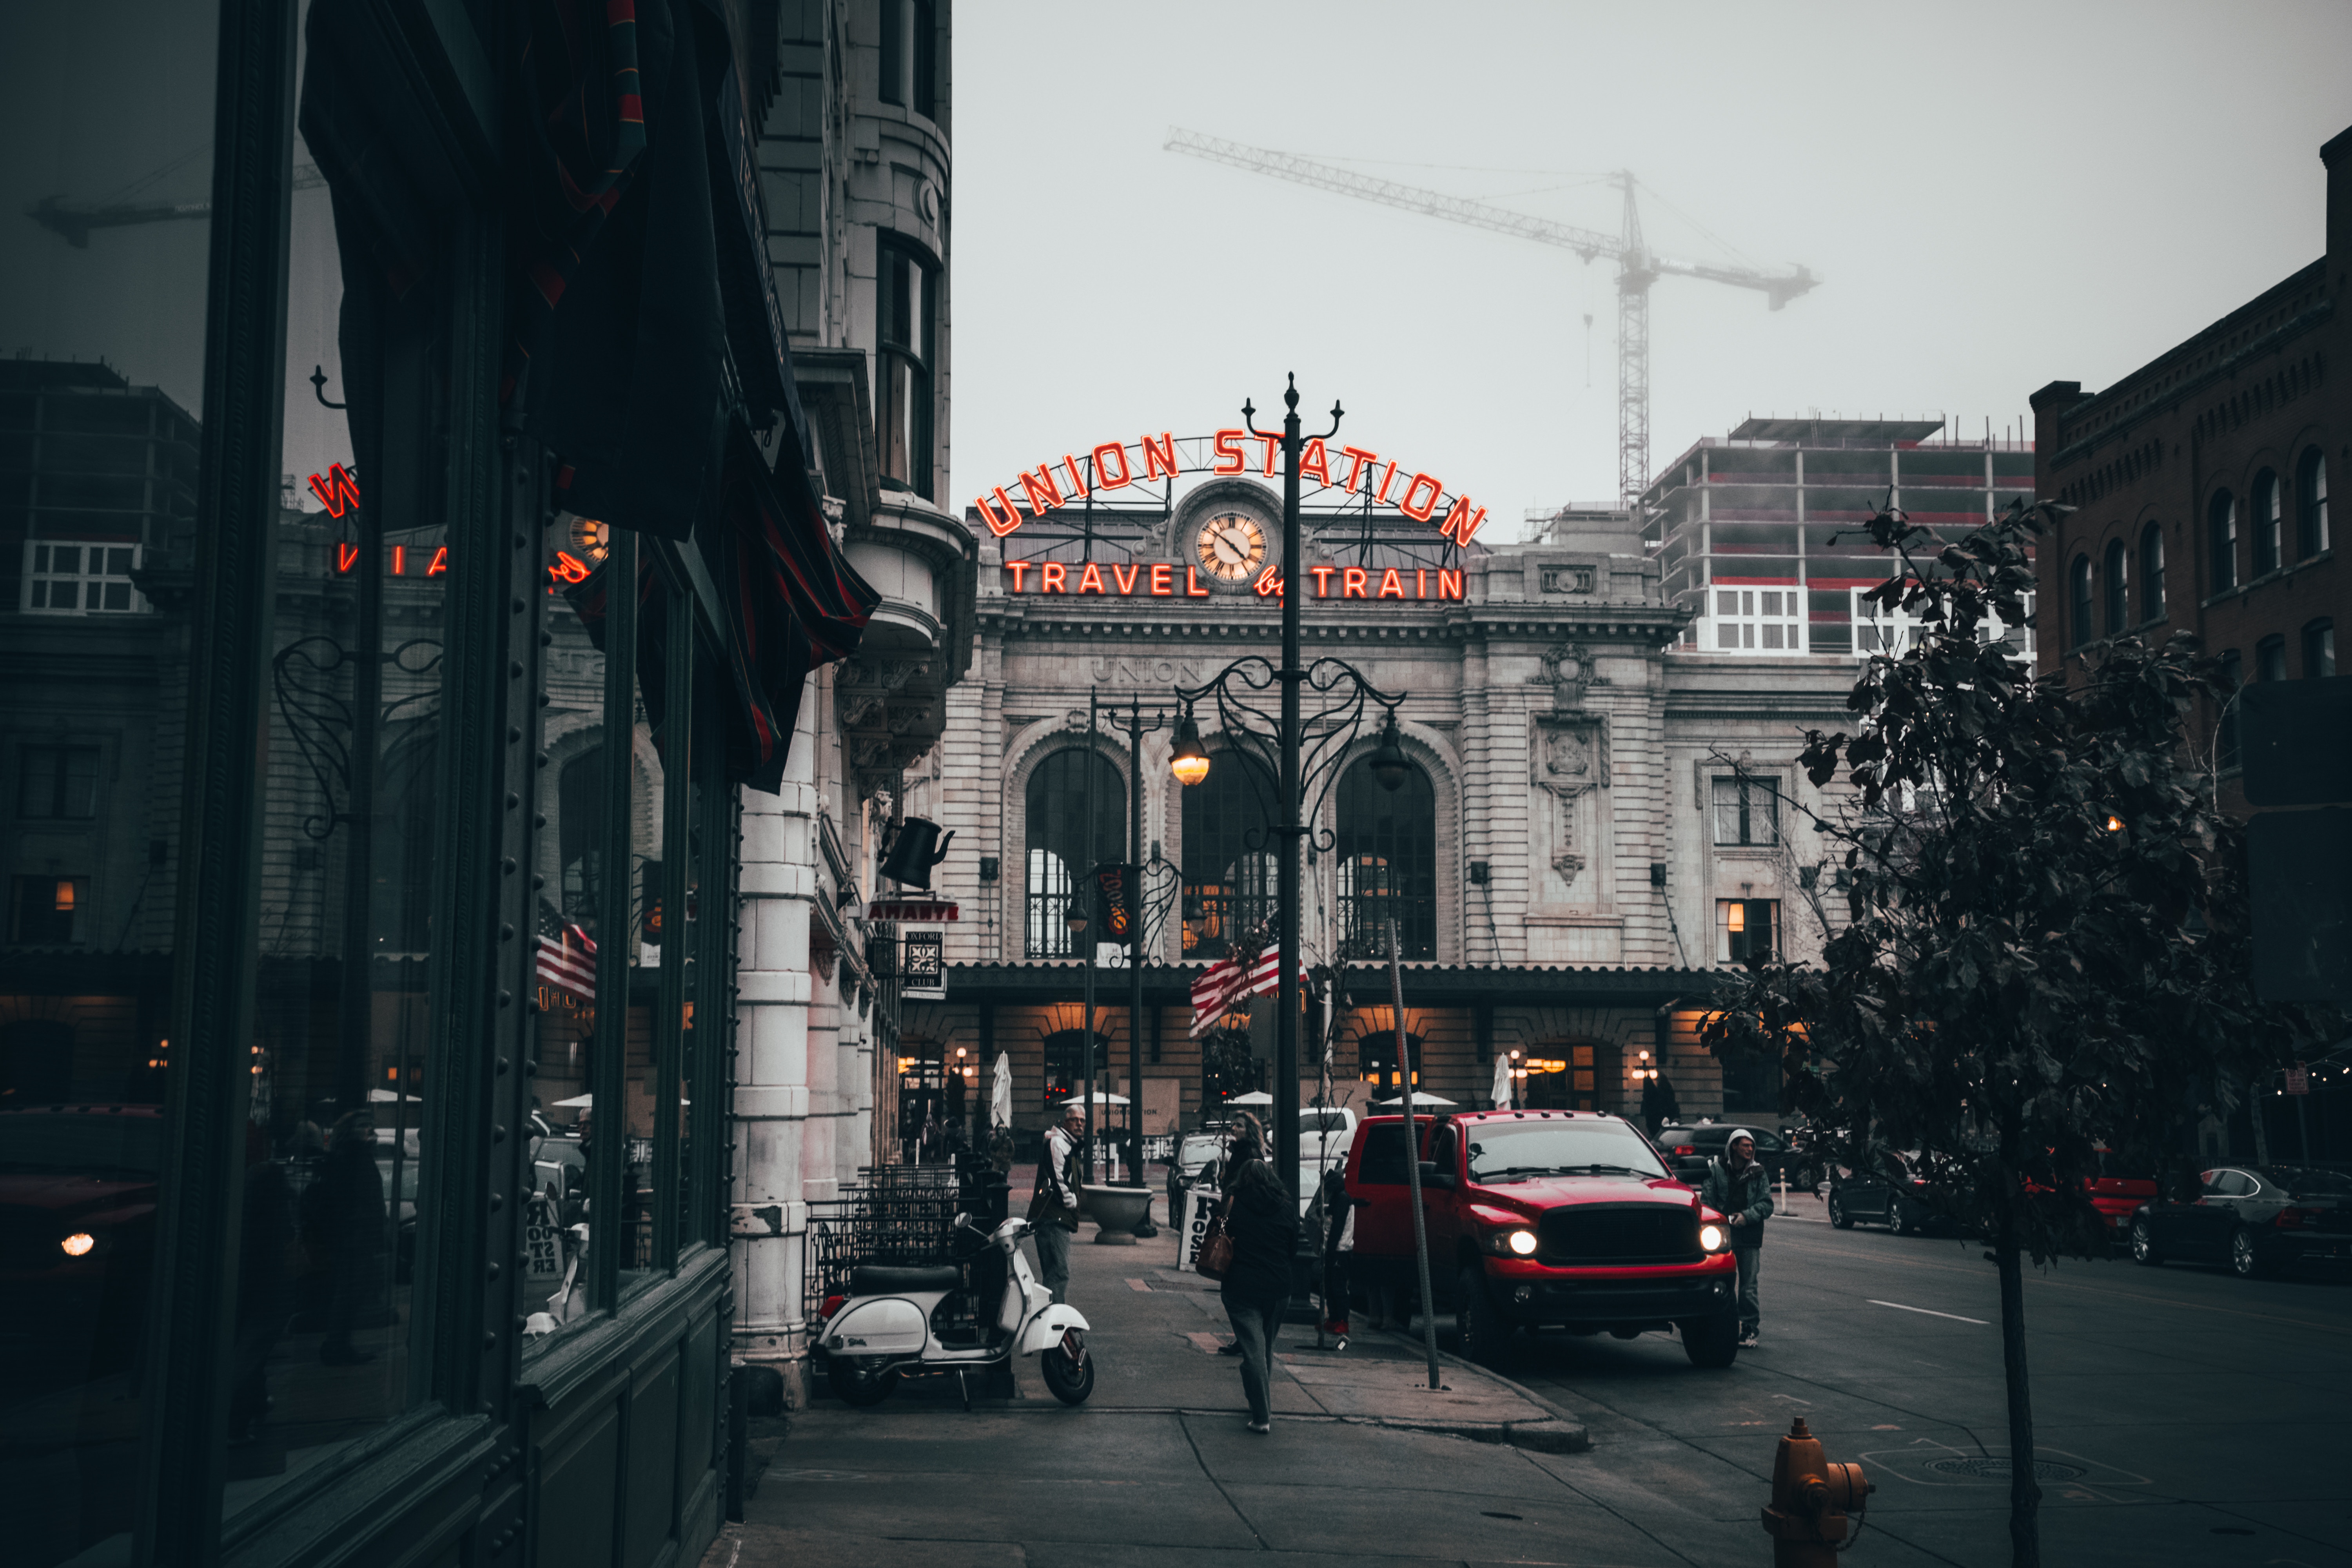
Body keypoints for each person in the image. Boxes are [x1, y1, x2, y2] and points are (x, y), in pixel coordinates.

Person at [1218, 1114, 1299, 1434]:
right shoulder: (1286, 1206)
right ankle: (1259, 1399)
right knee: (1264, 1348)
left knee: (1253, 1350)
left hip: (1242, 1288)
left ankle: (1262, 1416)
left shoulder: (1233, 1205)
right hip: (1279, 1290)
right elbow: (1293, 1247)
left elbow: (1218, 1235)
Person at [1700, 1127, 1773, 1348]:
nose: (1750, 1150)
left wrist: (1746, 1216)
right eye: (1745, 1145)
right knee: (1721, 1284)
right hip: (1723, 1238)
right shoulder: (1717, 1171)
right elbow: (1708, 1202)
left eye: (1752, 1146)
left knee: (1748, 1286)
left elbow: (1767, 1205)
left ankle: (1750, 1330)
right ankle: (1720, 1327)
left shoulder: (1759, 1173)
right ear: (1734, 1147)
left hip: (1749, 1237)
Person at [1027, 1103, 1085, 1304]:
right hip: (1053, 1218)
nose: (1079, 1124)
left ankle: (1052, 1316)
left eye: (1082, 1121)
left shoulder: (1068, 1144)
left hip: (1056, 1217)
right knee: (1058, 1272)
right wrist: (1073, 1202)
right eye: (1074, 1120)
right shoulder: (1058, 1143)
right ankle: (1055, 1320)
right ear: (1064, 1122)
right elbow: (1057, 1178)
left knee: (1054, 1272)